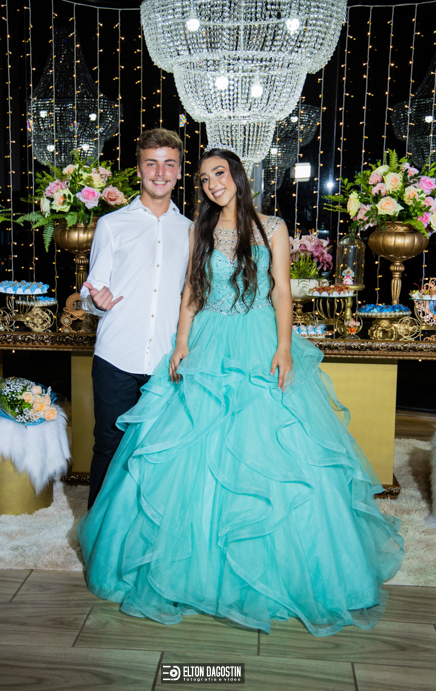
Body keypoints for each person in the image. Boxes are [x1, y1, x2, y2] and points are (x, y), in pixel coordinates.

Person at [78, 148, 404, 636]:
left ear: (238, 176)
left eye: (220, 173)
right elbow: (192, 291)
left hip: (258, 340)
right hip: (208, 340)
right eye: (204, 177)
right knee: (193, 445)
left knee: (268, 445)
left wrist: (284, 348)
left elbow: (281, 290)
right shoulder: (200, 229)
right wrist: (182, 342)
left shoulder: (273, 227)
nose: (213, 183)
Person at [80, 128, 191, 509]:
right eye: (151, 164)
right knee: (108, 446)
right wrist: (96, 301)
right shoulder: (112, 225)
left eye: (169, 164)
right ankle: (98, 534)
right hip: (116, 356)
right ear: (140, 168)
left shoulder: (191, 231)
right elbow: (91, 289)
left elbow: (193, 296)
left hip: (166, 363)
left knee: (158, 452)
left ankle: (144, 531)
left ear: (179, 171)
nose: (160, 173)